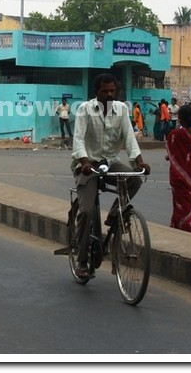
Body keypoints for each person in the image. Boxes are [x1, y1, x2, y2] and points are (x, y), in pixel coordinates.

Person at [70, 73, 151, 279]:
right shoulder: (84, 109)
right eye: (104, 91)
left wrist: (139, 161)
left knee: (134, 178)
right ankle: (81, 260)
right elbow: (78, 140)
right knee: (87, 211)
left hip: (110, 162)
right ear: (96, 92)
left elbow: (129, 138)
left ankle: (116, 213)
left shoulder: (122, 109)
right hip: (88, 165)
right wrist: (85, 162)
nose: (109, 94)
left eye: (112, 91)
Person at [165, 106, 191, 233]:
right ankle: (190, 223)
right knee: (190, 200)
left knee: (179, 201)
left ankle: (181, 225)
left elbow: (171, 154)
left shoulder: (174, 135)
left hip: (178, 174)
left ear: (179, 118)